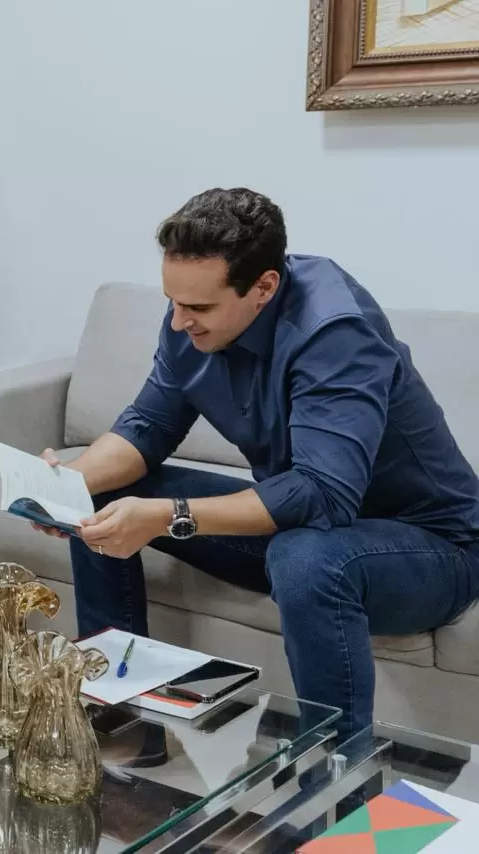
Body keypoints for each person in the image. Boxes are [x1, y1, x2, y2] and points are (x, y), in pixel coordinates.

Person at [37, 187, 479, 740]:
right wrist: (67, 481)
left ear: (264, 287)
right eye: (173, 302)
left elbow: (323, 494)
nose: (178, 322)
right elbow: (147, 427)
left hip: (430, 547)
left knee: (306, 558)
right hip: (299, 526)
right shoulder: (188, 323)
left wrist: (168, 515)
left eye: (199, 308)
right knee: (102, 496)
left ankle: (335, 774)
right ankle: (118, 722)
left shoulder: (336, 332)